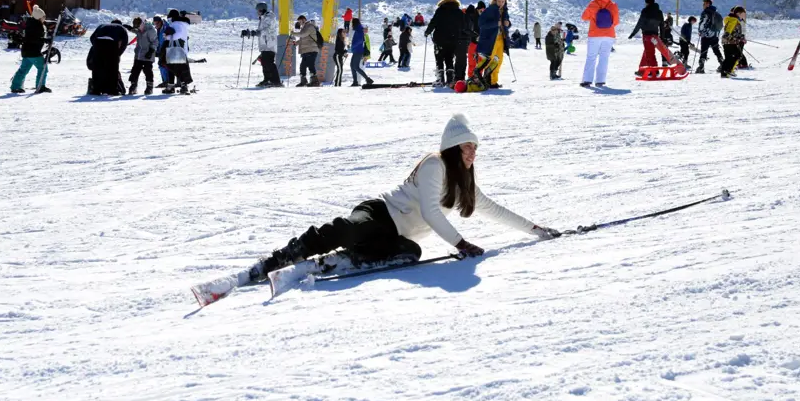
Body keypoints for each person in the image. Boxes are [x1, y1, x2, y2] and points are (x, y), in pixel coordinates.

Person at [240, 114, 561, 284]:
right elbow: (431, 212)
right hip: (380, 214)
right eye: (467, 147)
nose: (473, 152)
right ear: (452, 148)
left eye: (475, 147)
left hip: (395, 235)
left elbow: (493, 209)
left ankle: (339, 261)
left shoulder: (464, 183)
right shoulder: (435, 163)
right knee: (350, 229)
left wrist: (536, 229)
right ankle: (282, 257)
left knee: (410, 252)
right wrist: (462, 244)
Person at [580, 0, 619, 87]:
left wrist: (593, 18)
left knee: (591, 57)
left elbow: (584, 17)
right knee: (604, 57)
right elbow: (616, 22)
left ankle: (587, 80)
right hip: (609, 35)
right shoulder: (613, 5)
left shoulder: (593, 3)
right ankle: (600, 80)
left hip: (594, 34)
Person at [9, 5, 50, 93]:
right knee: (43, 68)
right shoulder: (36, 26)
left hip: (27, 51)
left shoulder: (31, 24)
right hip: (33, 51)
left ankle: (15, 86)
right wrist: (44, 40)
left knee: (23, 69)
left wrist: (44, 40)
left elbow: (32, 38)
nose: (44, 19)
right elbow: (33, 39)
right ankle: (40, 86)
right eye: (43, 17)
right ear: (39, 17)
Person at [425, 0, 465, 86]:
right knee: (449, 59)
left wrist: (427, 31)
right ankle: (450, 80)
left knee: (439, 59)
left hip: (439, 40)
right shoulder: (458, 12)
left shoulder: (440, 10)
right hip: (453, 40)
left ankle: (440, 79)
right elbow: (463, 25)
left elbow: (433, 22)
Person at [473, 0, 510, 90]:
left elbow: (505, 25)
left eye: (503, 1)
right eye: (499, 1)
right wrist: (495, 23)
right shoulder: (489, 10)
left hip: (501, 39)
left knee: (498, 61)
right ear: (495, 0)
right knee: (490, 61)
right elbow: (481, 24)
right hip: (491, 40)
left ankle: (494, 81)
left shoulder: (505, 11)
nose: (501, 3)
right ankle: (487, 80)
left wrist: (508, 23)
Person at [87, 19, 129, 95]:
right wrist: (117, 54)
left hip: (98, 42)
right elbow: (124, 43)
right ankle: (112, 90)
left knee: (98, 68)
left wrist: (97, 47)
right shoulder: (121, 28)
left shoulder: (102, 25)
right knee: (113, 68)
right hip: (111, 43)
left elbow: (91, 37)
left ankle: (96, 90)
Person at [628, 0, 664, 76]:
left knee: (649, 53)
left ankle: (654, 71)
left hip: (647, 35)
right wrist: (662, 37)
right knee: (648, 52)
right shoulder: (659, 12)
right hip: (655, 36)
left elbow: (640, 23)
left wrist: (633, 33)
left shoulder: (645, 10)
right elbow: (662, 25)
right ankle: (642, 70)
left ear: (647, 2)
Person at [248, 2, 280, 87]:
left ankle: (276, 81)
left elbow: (268, 29)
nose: (257, 12)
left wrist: (257, 33)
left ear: (261, 9)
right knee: (264, 62)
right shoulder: (262, 18)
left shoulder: (269, 17)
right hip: (264, 44)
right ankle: (267, 79)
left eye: (258, 10)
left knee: (269, 63)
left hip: (269, 44)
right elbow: (261, 31)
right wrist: (251, 33)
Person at [163, 9, 192, 94]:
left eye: (169, 18)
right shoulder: (181, 24)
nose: (169, 20)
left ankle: (179, 86)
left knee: (176, 68)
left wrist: (167, 37)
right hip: (180, 48)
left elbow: (177, 35)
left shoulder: (177, 24)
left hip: (176, 49)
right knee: (174, 68)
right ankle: (175, 86)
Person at [128, 16, 159, 95]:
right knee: (135, 70)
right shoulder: (139, 29)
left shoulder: (150, 30)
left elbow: (155, 41)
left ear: (142, 24)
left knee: (147, 70)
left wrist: (151, 51)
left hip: (148, 54)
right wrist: (129, 28)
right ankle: (133, 86)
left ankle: (149, 87)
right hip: (138, 54)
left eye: (139, 26)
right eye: (137, 27)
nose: (138, 28)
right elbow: (136, 31)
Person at [696, 0, 724, 74]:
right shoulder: (716, 12)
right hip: (715, 35)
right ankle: (723, 65)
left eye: (704, 4)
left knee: (704, 51)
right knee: (716, 50)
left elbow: (702, 22)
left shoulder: (705, 12)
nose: (703, 5)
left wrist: (700, 31)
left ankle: (701, 67)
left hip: (706, 35)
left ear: (708, 4)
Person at [292, 14, 320, 87]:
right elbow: (303, 38)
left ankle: (315, 81)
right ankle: (303, 81)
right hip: (306, 50)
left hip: (312, 49)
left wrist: (293, 33)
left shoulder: (310, 26)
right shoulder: (304, 27)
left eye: (300, 21)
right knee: (302, 66)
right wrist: (297, 43)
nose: (299, 23)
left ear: (304, 19)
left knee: (311, 64)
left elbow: (303, 34)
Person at [720, 7, 746, 78]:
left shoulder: (730, 19)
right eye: (743, 14)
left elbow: (734, 31)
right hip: (730, 41)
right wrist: (727, 35)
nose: (743, 16)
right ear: (738, 13)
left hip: (727, 41)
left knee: (728, 57)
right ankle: (729, 70)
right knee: (738, 55)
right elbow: (729, 29)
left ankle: (724, 73)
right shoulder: (734, 20)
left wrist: (741, 38)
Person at [350, 17, 374, 86]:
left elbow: (360, 40)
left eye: (352, 23)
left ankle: (368, 79)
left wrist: (353, 45)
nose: (351, 25)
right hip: (356, 50)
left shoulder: (359, 30)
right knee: (352, 66)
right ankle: (355, 82)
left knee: (356, 66)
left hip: (358, 51)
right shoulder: (358, 29)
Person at [152, 16, 170, 86]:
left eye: (157, 23)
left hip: (165, 50)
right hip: (160, 50)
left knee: (163, 65)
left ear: (160, 22)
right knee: (161, 65)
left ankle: (167, 81)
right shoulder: (159, 29)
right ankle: (165, 81)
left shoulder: (164, 28)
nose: (156, 25)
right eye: (155, 23)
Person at [465, 4, 480, 78]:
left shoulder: (470, 17)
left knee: (472, 61)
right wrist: (475, 35)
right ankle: (472, 76)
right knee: (473, 61)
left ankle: (472, 76)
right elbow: (466, 29)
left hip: (470, 41)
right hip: (471, 42)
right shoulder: (469, 17)